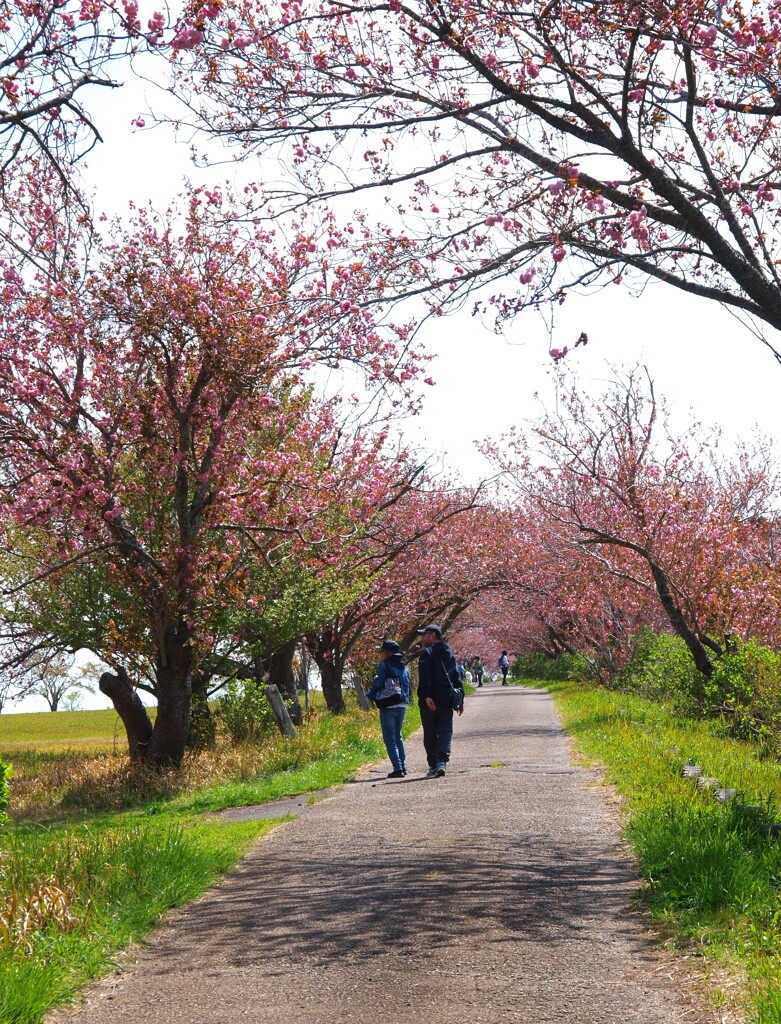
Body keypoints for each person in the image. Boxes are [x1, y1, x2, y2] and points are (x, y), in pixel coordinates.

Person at [417, 624, 463, 778]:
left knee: (430, 733)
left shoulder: (426, 653)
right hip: (447, 699)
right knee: (445, 731)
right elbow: (456, 677)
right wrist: (460, 699)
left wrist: (426, 695)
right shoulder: (448, 653)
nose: (422, 638)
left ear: (432, 635)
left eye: (424, 635)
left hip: (430, 701)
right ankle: (442, 762)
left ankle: (434, 765)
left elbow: (425, 676)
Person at [365, 639, 411, 778]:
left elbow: (379, 683)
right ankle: (402, 766)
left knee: (389, 738)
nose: (380, 654)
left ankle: (397, 769)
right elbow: (407, 684)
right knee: (398, 736)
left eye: (382, 651)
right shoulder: (404, 667)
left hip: (388, 704)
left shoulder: (384, 665)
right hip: (402, 703)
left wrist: (371, 692)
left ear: (388, 653)